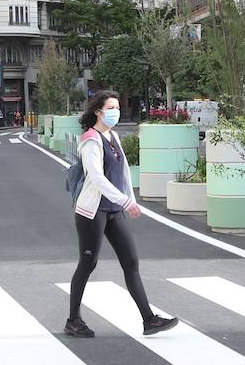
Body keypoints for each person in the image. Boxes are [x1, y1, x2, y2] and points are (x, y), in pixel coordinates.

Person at [66, 90, 177, 339]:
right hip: (91, 212)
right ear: (98, 111)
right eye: (111, 108)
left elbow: (123, 173)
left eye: (117, 107)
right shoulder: (91, 140)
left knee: (131, 262)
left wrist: (131, 201)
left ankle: (149, 319)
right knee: (88, 263)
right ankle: (73, 320)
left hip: (114, 211)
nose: (116, 112)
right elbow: (96, 178)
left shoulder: (113, 135)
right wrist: (125, 201)